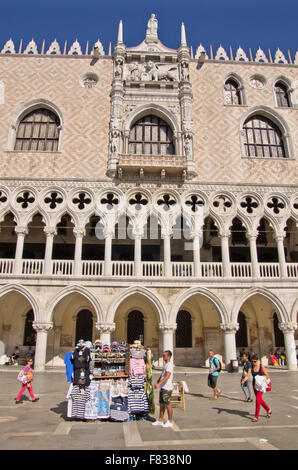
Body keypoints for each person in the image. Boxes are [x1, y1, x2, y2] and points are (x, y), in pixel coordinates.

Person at [152, 350, 174, 428]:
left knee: (168, 404)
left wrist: (159, 383)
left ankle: (170, 421)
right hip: (163, 387)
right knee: (161, 404)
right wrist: (158, 380)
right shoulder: (166, 364)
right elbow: (163, 374)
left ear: (168, 356)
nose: (163, 357)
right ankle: (160, 420)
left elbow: (167, 376)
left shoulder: (170, 365)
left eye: (164, 355)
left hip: (167, 388)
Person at [251, 354, 272, 422]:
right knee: (260, 400)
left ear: (257, 361)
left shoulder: (261, 367)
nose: (253, 363)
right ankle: (268, 410)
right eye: (252, 361)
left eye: (255, 361)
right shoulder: (251, 367)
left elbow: (267, 375)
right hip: (255, 386)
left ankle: (256, 416)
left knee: (257, 400)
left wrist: (260, 378)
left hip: (261, 386)